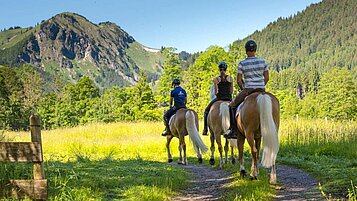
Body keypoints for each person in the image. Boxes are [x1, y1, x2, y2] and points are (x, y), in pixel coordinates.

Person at [224, 40, 269, 139]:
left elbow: (239, 80)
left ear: (246, 50)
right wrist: (261, 86)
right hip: (261, 89)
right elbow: (267, 77)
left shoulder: (242, 64)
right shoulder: (263, 62)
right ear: (255, 50)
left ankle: (233, 130)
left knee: (231, 106)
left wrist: (243, 89)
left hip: (248, 89)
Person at [202, 61, 233, 135]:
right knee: (236, 110)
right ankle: (234, 128)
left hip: (219, 98)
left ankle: (205, 129)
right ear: (226, 69)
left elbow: (216, 92)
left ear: (219, 69)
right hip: (229, 98)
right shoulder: (230, 78)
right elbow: (231, 91)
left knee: (206, 111)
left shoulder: (216, 79)